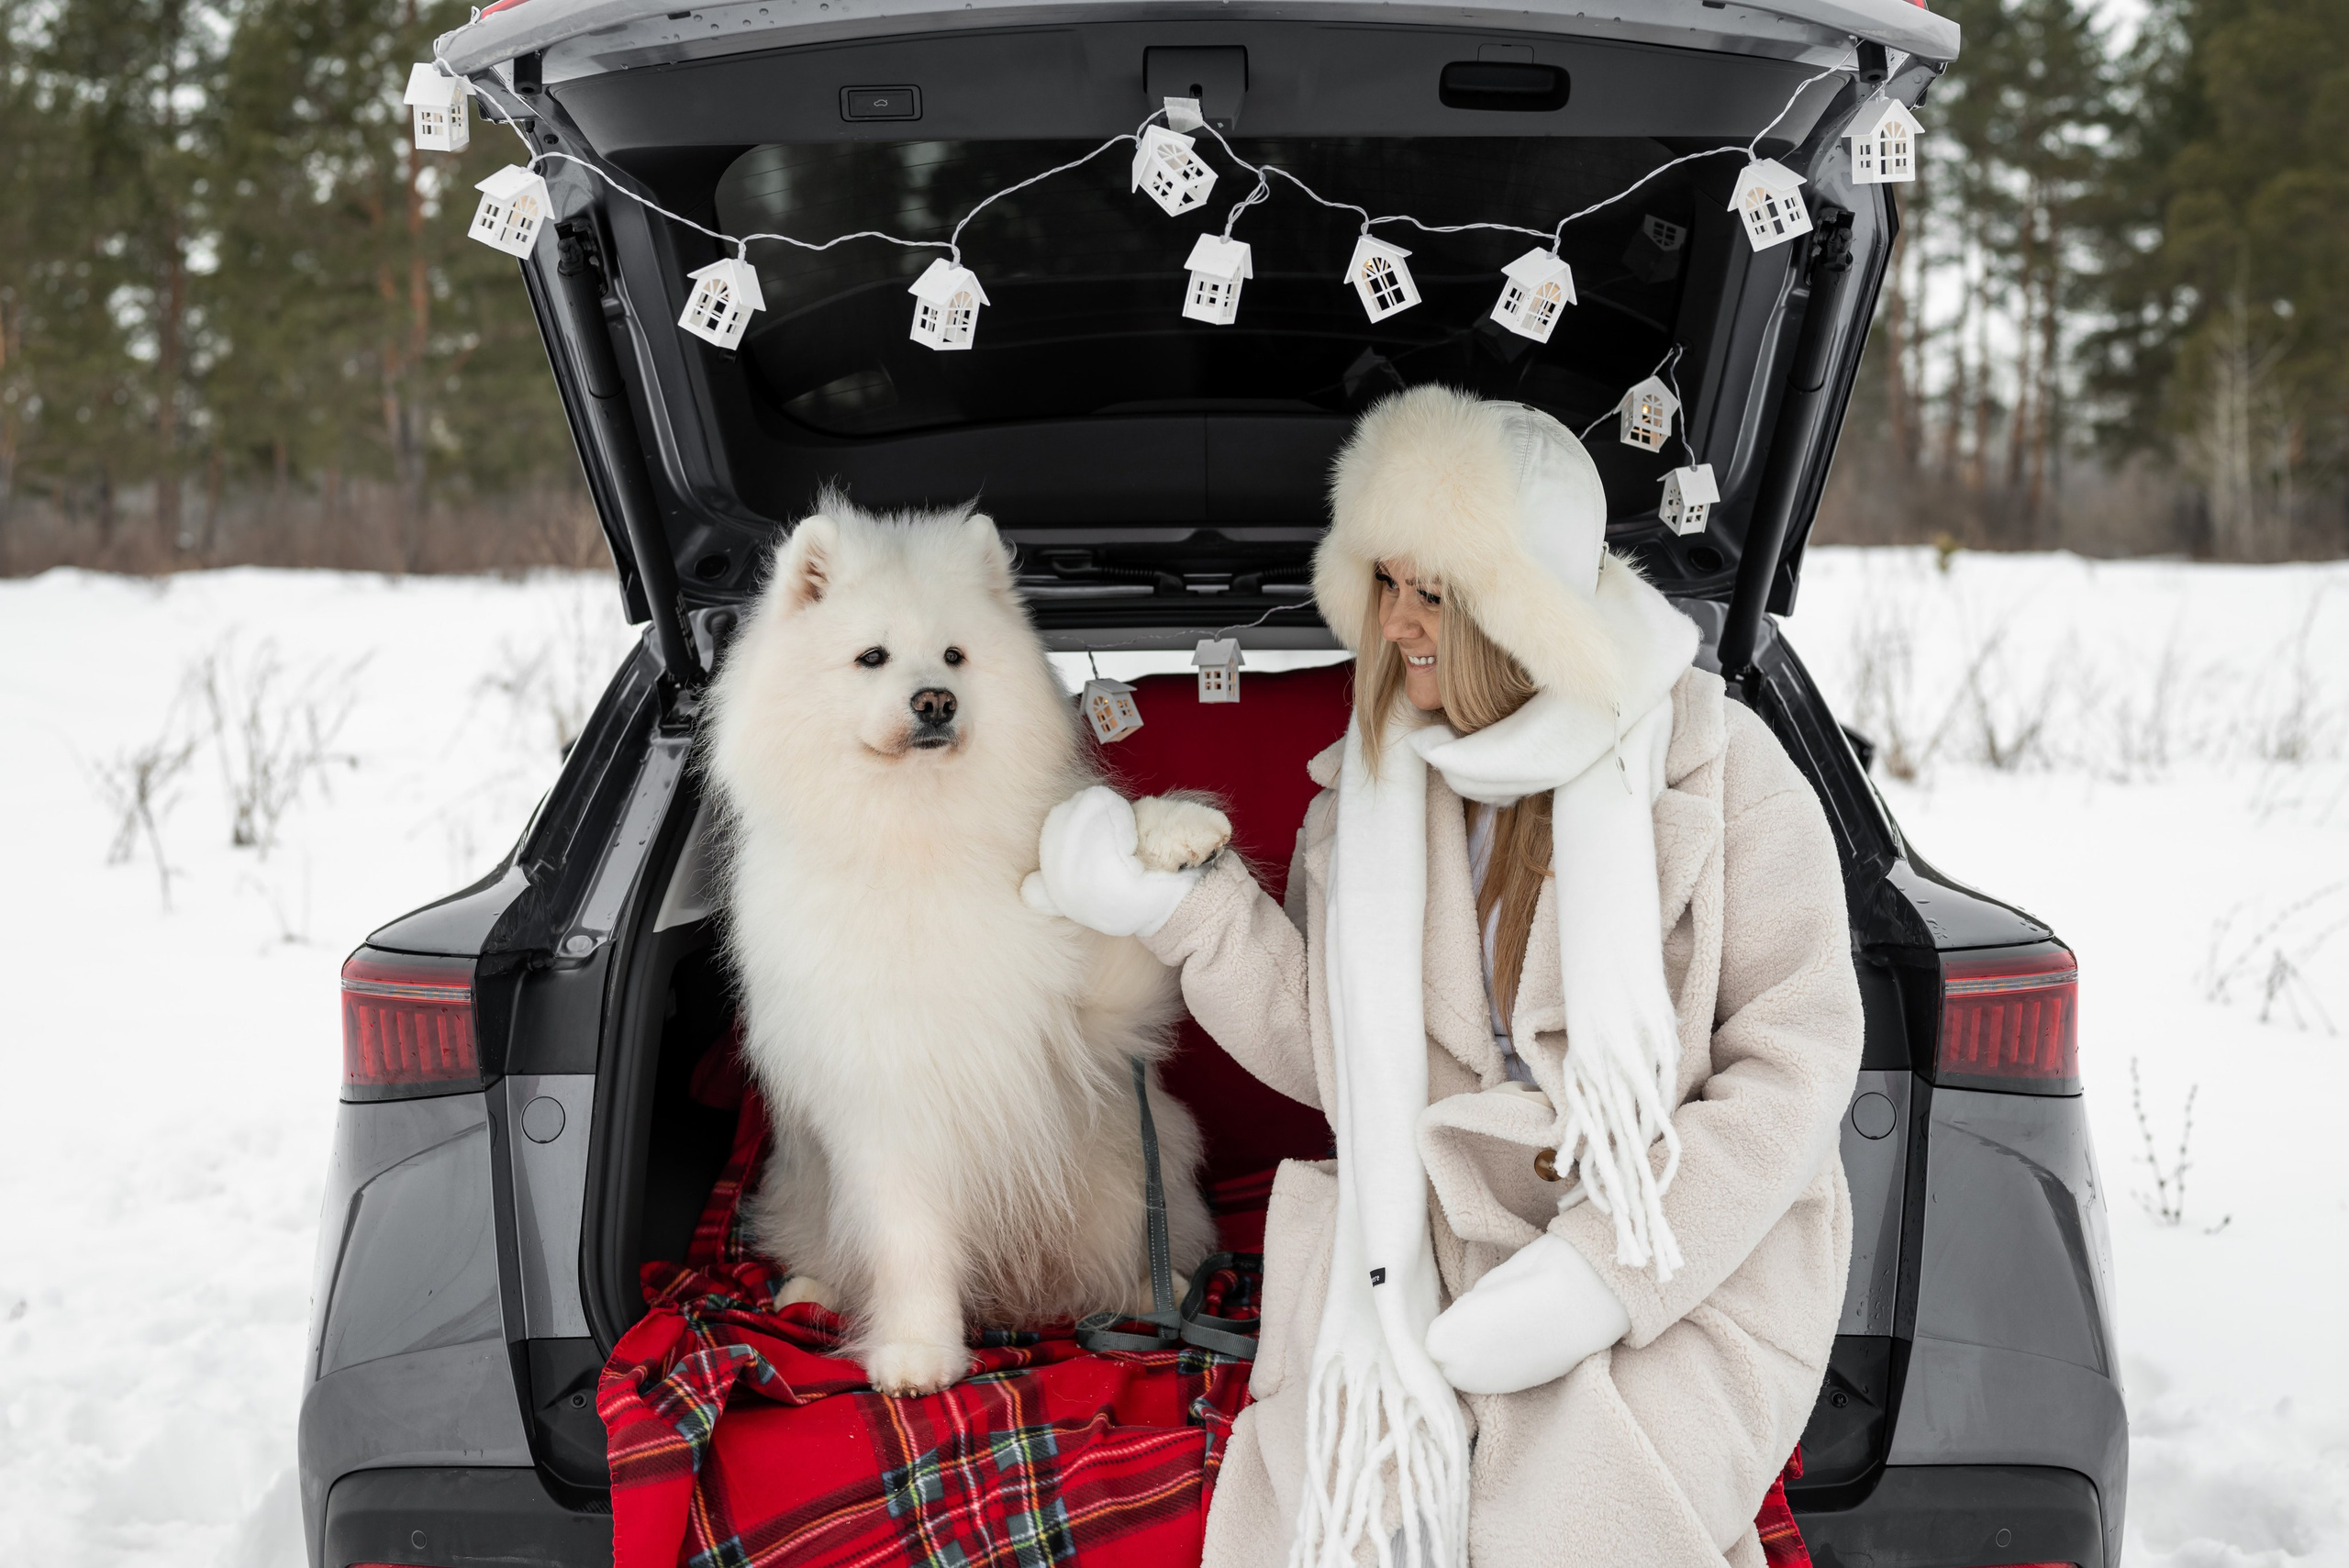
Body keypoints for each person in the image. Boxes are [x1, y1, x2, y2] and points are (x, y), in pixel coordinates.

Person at [1025, 386, 1862, 1568]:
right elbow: (1339, 1057)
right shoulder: (1364, 799)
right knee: (1367, 1524)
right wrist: (1186, 912)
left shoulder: (1719, 769)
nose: (1402, 621)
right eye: (1387, 583)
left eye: (1439, 590)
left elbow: (1800, 1059)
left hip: (1678, 1239)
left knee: (1568, 1535)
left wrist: (1599, 1281)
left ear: (1520, 601)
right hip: (1432, 1224)